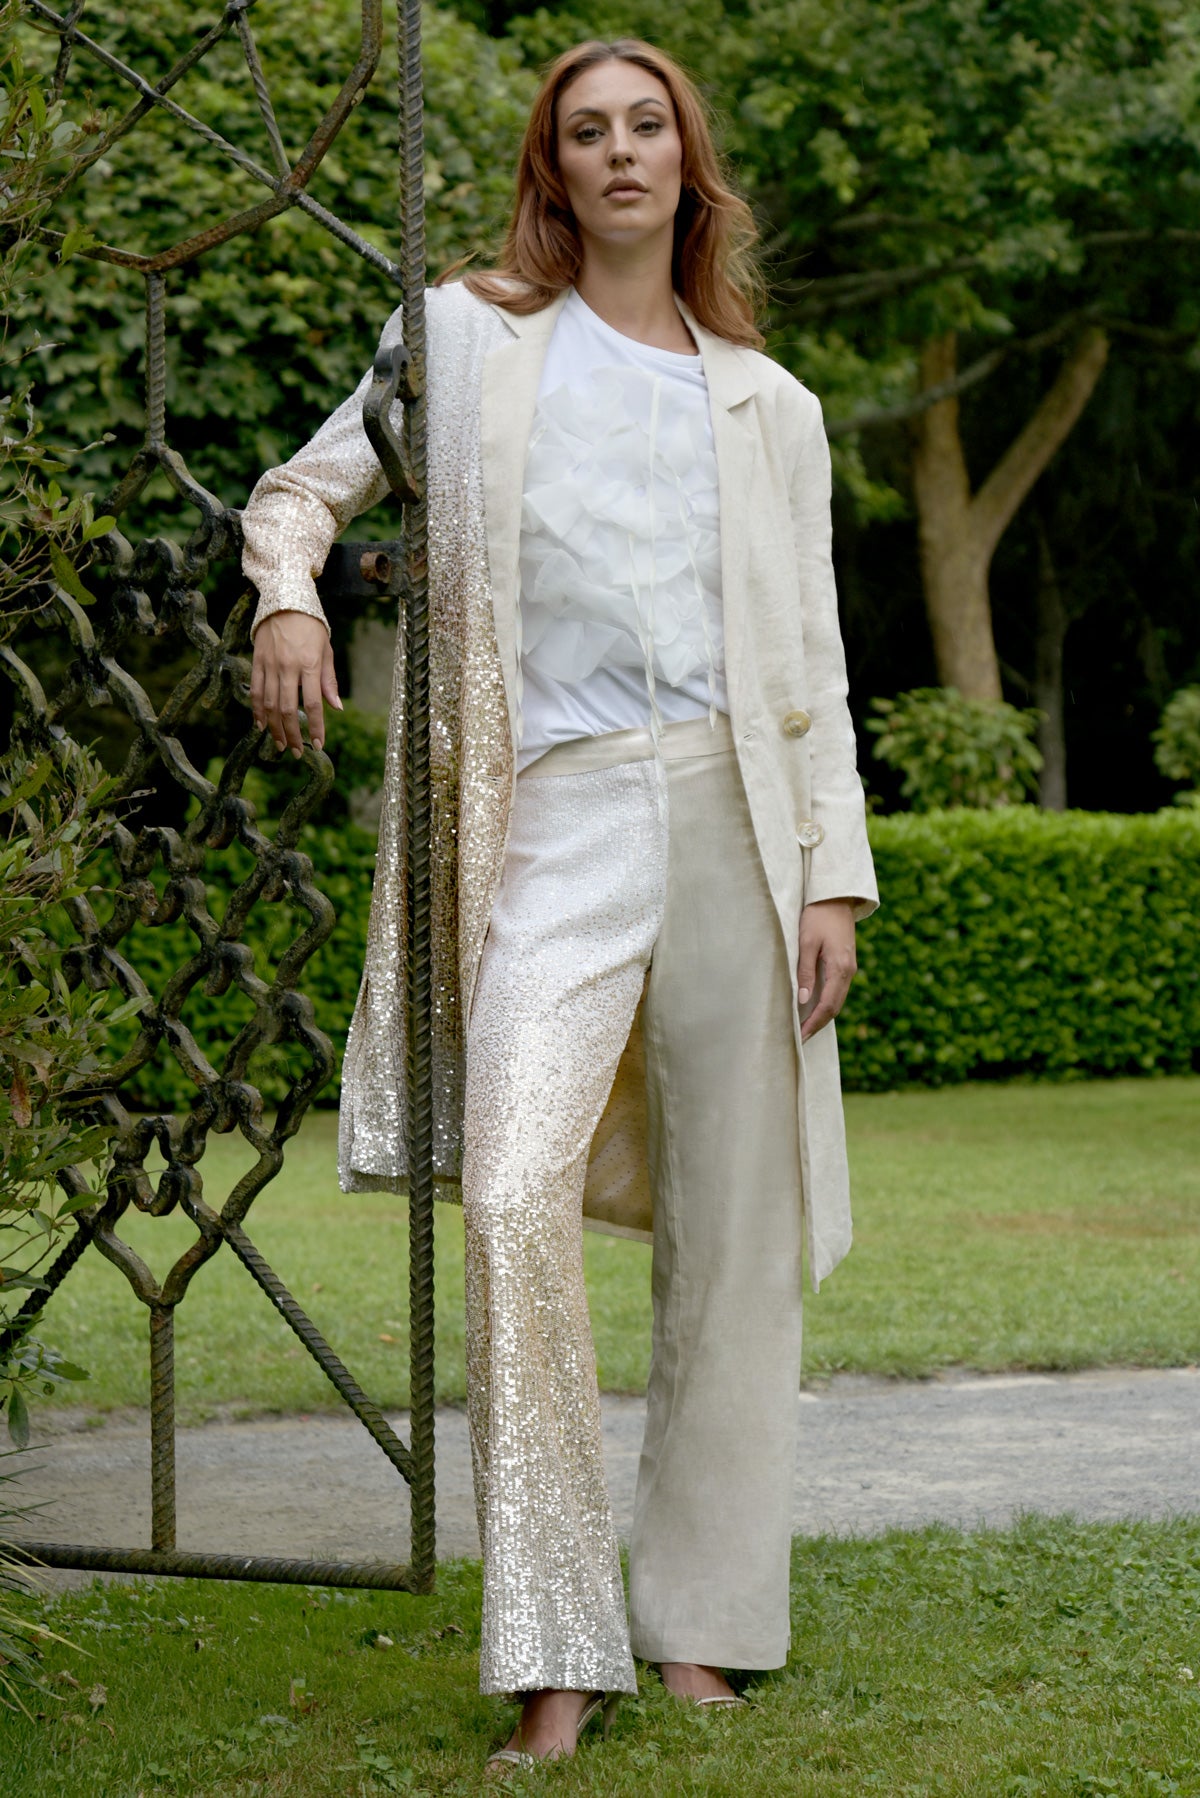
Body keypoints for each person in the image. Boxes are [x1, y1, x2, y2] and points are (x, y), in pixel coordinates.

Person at [242, 36, 878, 1778]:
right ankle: (553, 1643)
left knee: (735, 1236)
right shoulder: (463, 340)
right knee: (513, 1191)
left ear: (688, 162)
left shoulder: (772, 404)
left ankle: (701, 1623)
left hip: (741, 819)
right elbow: (303, 486)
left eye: (647, 125)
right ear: (554, 167)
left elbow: (815, 658)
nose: (619, 153)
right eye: (586, 130)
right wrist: (288, 594)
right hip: (560, 814)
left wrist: (835, 870)